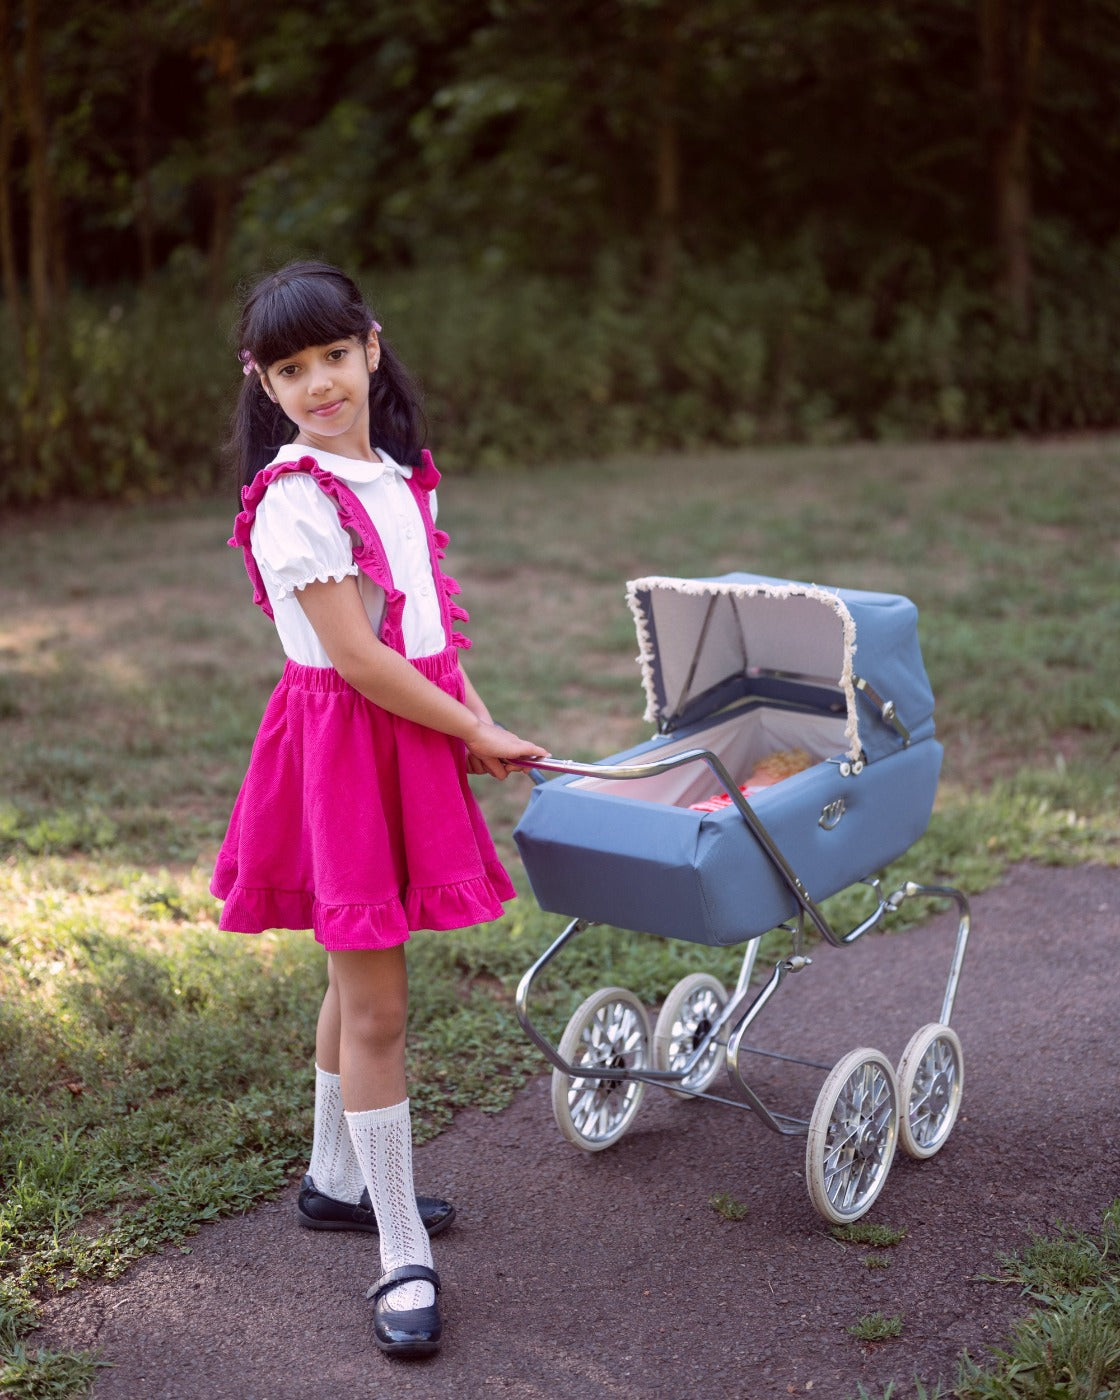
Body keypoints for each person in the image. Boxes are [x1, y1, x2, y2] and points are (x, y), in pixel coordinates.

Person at [210, 260, 548, 1360]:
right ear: (264, 383)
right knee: (380, 1009)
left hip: (404, 732)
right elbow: (355, 656)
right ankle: (398, 1244)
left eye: (334, 357)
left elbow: (426, 630)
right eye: (291, 368)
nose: (319, 384)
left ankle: (331, 1179)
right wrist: (465, 729)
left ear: (371, 346)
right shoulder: (294, 500)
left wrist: (475, 714)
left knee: (357, 973)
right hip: (344, 753)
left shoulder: (401, 477)